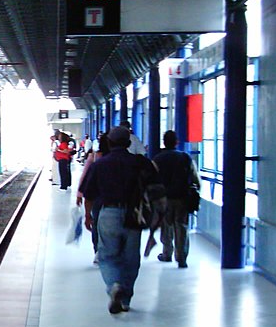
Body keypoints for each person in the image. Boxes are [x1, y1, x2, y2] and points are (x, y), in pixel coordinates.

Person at [81, 125, 161, 314]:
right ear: (128, 142)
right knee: (131, 258)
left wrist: (88, 215)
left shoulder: (100, 165)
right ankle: (125, 299)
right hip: (135, 214)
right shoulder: (141, 163)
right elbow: (156, 189)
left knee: (107, 256)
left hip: (108, 212)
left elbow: (89, 194)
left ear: (109, 142)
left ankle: (114, 286)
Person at [152, 130, 200, 268]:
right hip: (182, 197)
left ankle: (167, 253)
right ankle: (181, 257)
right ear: (176, 142)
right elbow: (195, 177)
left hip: (163, 198)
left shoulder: (158, 159)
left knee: (166, 226)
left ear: (164, 142)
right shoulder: (185, 157)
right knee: (181, 226)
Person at [77, 133, 110, 262]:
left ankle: (98, 251)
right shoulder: (129, 161)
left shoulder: (96, 161)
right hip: (118, 202)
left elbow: (86, 180)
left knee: (97, 224)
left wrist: (86, 214)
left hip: (98, 199)